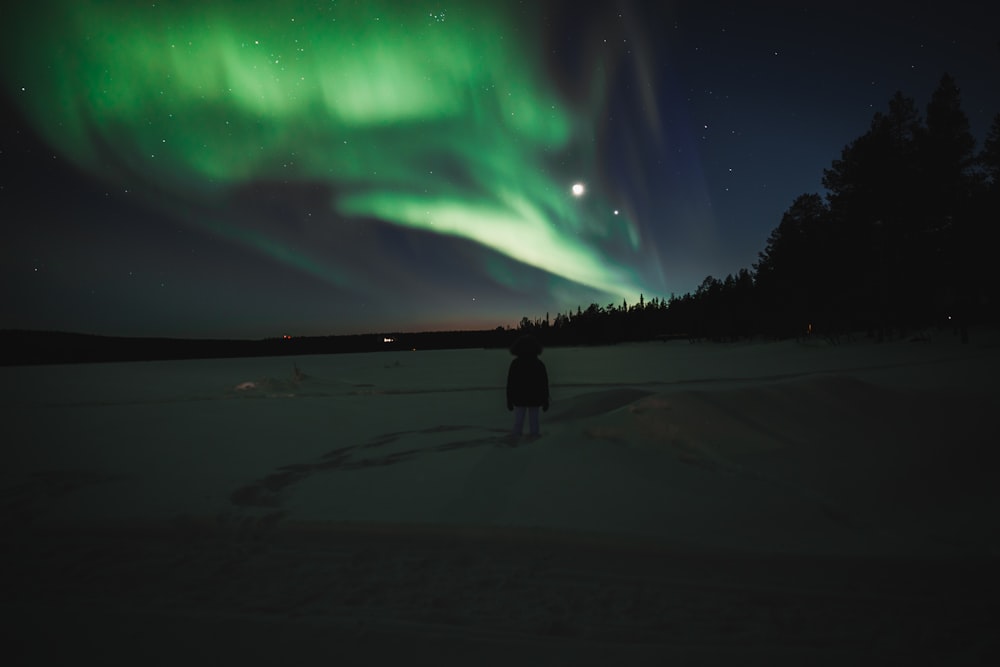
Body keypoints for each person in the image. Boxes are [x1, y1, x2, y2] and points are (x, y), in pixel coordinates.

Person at [506, 335, 549, 437]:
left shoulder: (515, 364)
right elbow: (544, 383)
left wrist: (509, 399)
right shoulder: (539, 364)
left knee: (519, 423)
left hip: (520, 398)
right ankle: (533, 443)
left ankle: (515, 443)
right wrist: (545, 399)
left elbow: (510, 383)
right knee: (534, 424)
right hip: (534, 398)